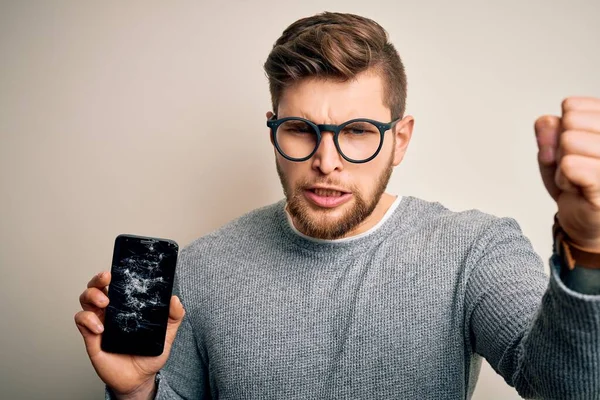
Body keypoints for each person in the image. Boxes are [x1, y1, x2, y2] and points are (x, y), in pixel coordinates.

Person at [74, 12, 600, 399]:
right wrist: (135, 393)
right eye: (301, 130)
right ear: (273, 129)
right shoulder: (202, 267)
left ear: (401, 138)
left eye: (357, 131)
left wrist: (589, 245)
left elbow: (567, 389)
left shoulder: (474, 250)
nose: (328, 161)